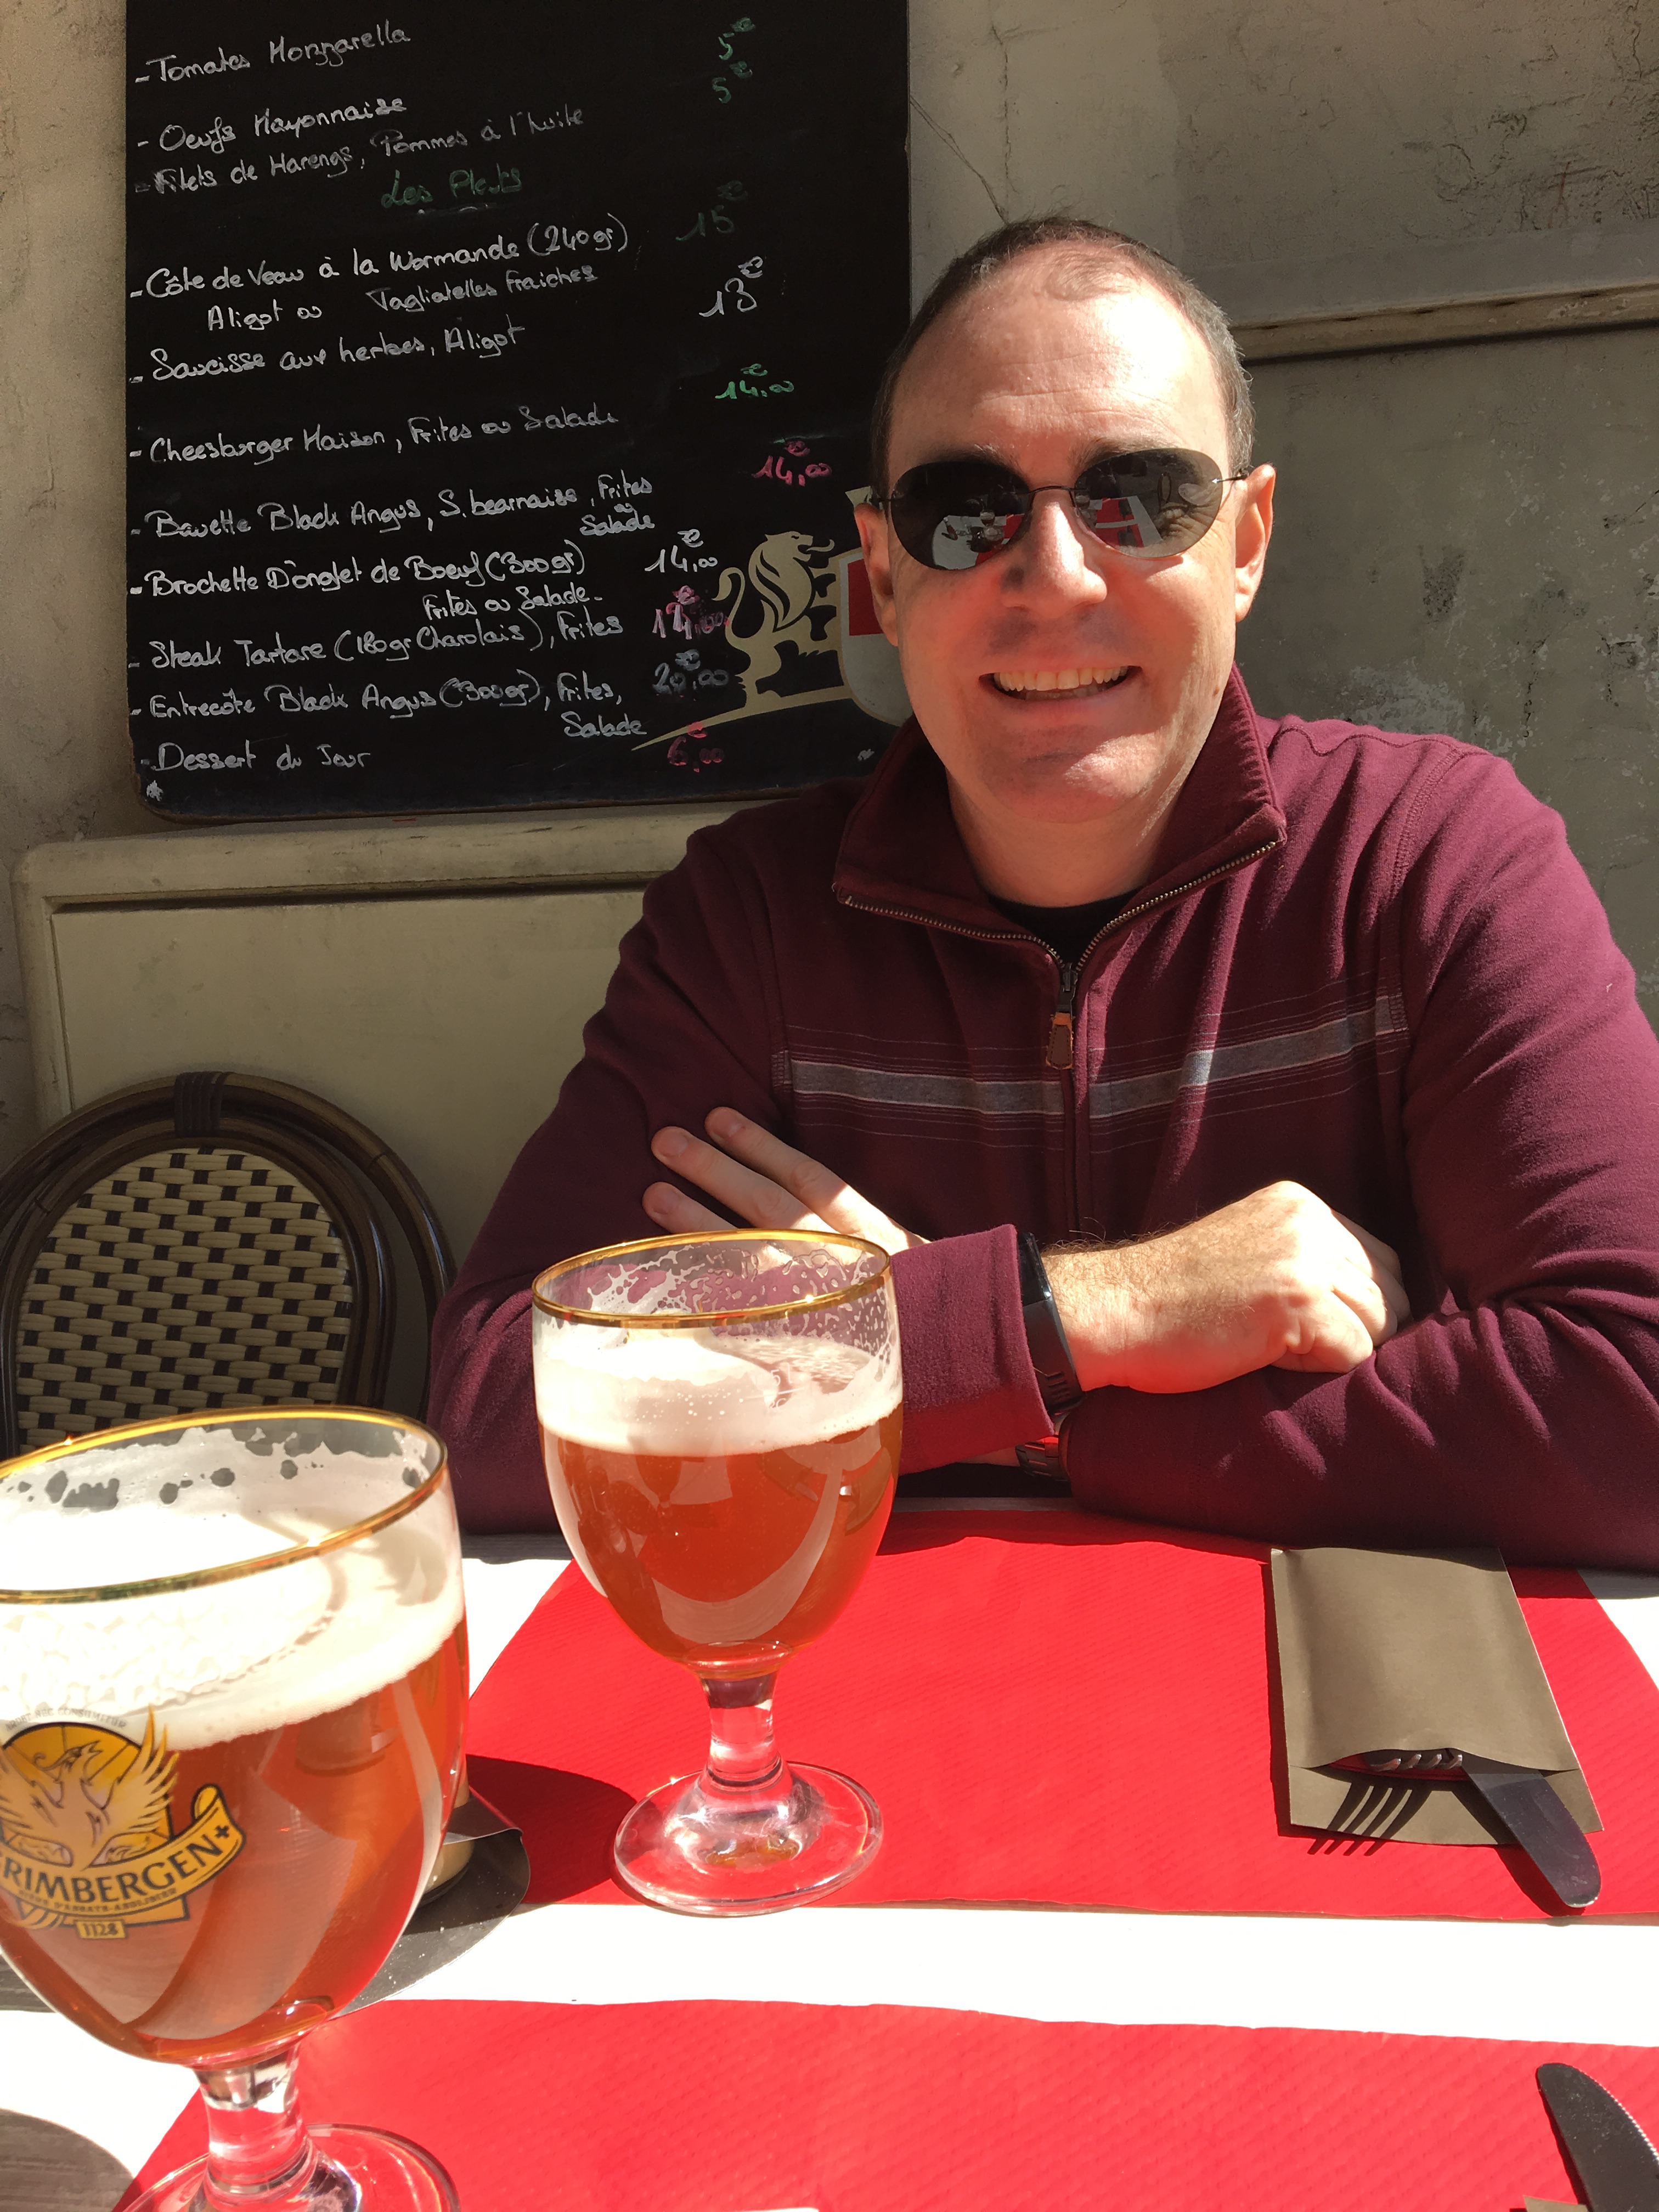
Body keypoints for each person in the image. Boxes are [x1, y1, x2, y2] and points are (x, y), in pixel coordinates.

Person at [430, 217, 1659, 1566]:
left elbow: (1632, 1404)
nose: (1057, 577)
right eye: (966, 511)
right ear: (884, 571)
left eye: (1142, 497)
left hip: (1321, 1686)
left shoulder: (1427, 859)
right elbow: (492, 1406)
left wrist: (987, 1389)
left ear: (1246, 542)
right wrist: (1097, 1315)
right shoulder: (749, 921)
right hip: (869, 1684)